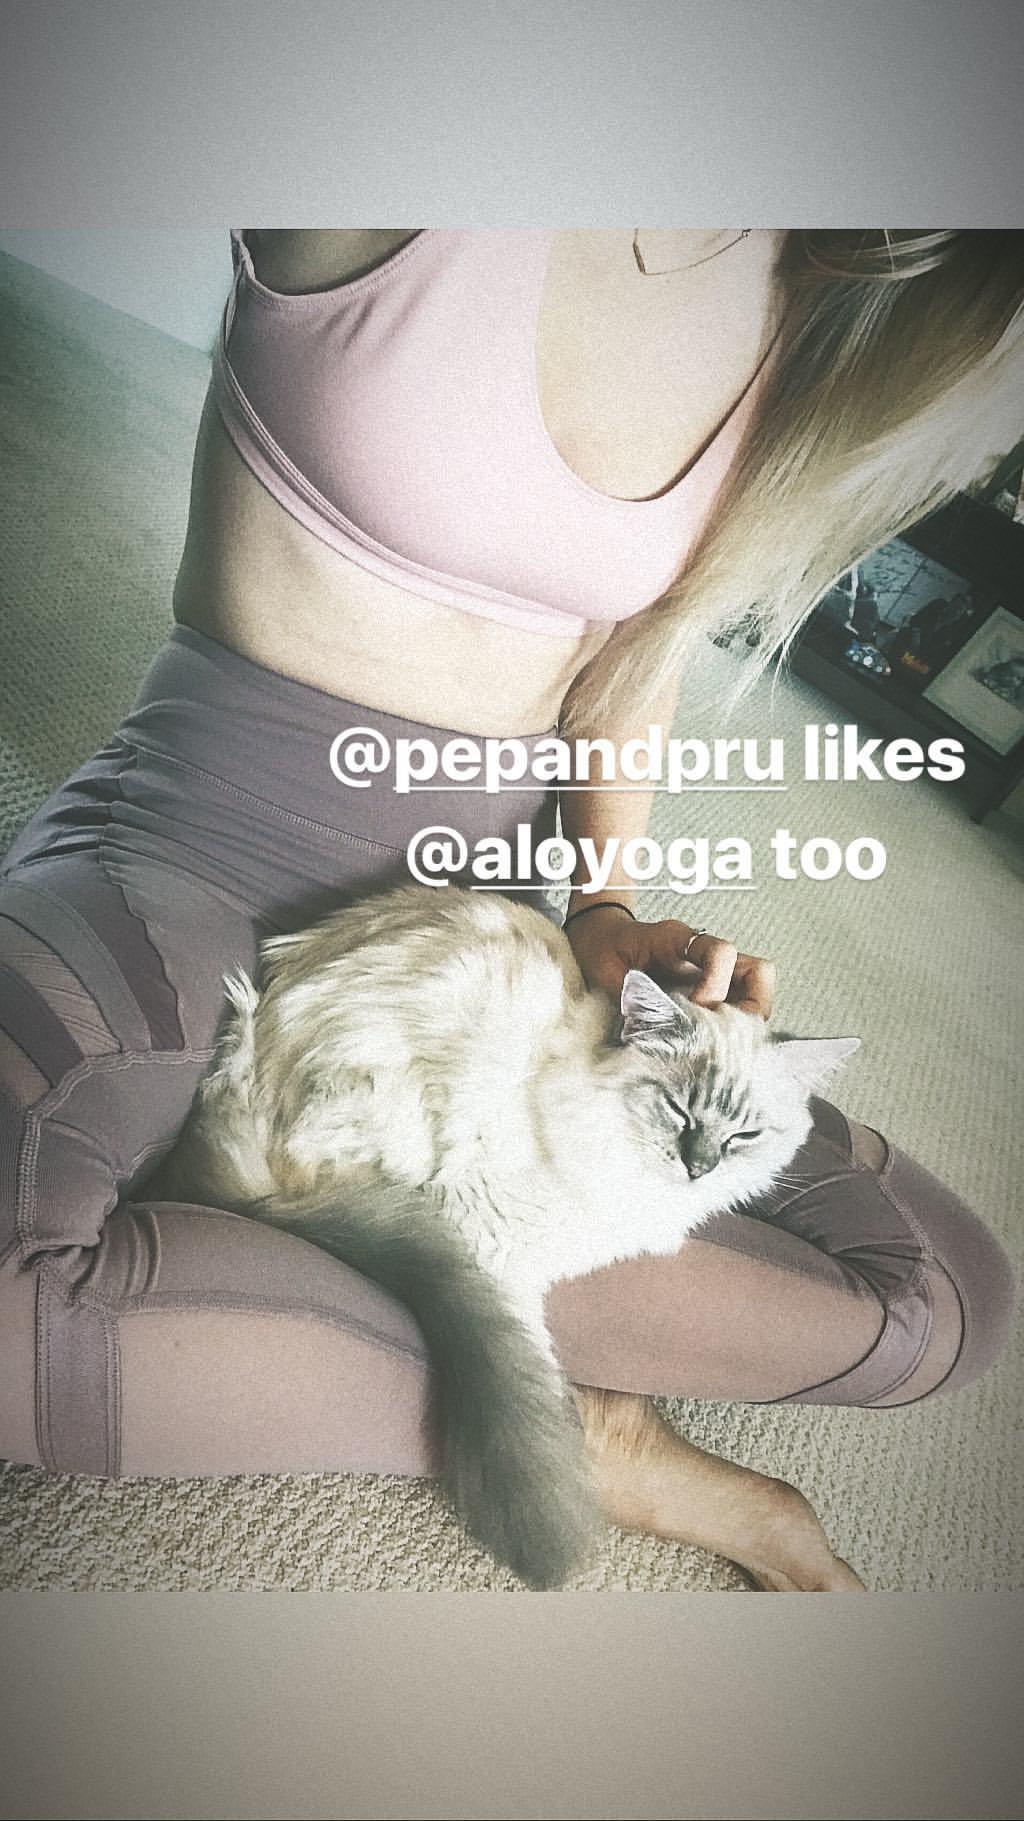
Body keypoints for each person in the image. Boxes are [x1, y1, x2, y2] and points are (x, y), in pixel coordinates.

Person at [1, 229, 1020, 1591]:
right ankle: (548, 1414)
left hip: (494, 986)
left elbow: (635, 652)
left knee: (951, 1298)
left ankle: (395, 1311)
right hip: (188, 859)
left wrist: (601, 904)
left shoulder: (817, 292)